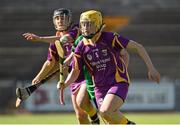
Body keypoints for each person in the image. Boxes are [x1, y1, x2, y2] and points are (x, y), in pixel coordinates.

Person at [60, 10, 161, 124]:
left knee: (105, 111)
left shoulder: (110, 38)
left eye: (89, 24)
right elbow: (75, 71)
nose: (85, 27)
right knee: (110, 121)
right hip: (99, 87)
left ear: (98, 25)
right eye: (83, 24)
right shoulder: (81, 46)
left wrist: (151, 68)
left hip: (117, 82)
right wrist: (65, 84)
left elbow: (138, 47)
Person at [23, 8, 99, 124]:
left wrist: (40, 39)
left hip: (87, 74)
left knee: (82, 101)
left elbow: (65, 39)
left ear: (69, 20)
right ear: (54, 21)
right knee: (80, 116)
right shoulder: (54, 41)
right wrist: (39, 76)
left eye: (63, 18)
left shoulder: (76, 29)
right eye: (57, 18)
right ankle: (94, 117)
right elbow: (50, 61)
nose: (60, 21)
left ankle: (94, 117)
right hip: (74, 79)